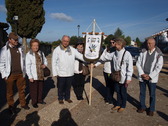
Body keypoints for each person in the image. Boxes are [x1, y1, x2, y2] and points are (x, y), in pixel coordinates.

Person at [0, 32, 30, 113]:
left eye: (17, 39)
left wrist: (25, 72)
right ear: (9, 40)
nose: (17, 41)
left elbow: (24, 60)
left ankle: (23, 104)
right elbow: (1, 63)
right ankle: (11, 106)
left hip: (20, 74)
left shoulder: (21, 47)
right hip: (10, 75)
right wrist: (4, 75)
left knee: (22, 90)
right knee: (10, 92)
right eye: (15, 40)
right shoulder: (4, 50)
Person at [52, 35, 84, 104]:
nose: (66, 42)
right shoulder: (57, 50)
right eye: (64, 41)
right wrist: (55, 73)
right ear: (62, 40)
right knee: (60, 87)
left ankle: (67, 98)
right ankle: (60, 98)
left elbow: (80, 56)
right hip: (61, 73)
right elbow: (53, 62)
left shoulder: (73, 50)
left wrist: (88, 59)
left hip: (70, 72)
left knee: (68, 87)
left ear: (69, 42)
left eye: (67, 41)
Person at [136, 37, 163, 116]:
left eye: (150, 43)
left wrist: (150, 76)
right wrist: (142, 74)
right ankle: (142, 107)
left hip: (151, 78)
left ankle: (151, 109)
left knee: (152, 94)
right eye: (147, 43)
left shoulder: (158, 54)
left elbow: (159, 67)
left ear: (154, 44)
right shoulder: (143, 52)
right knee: (142, 93)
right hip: (143, 76)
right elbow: (138, 63)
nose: (148, 45)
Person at [26, 39, 47, 108]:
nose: (36, 47)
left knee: (40, 88)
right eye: (34, 45)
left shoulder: (41, 53)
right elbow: (27, 66)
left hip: (40, 74)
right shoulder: (29, 54)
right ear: (31, 46)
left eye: (37, 45)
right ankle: (34, 102)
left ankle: (40, 100)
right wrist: (30, 76)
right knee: (34, 90)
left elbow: (45, 60)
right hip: (34, 75)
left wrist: (45, 65)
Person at [94, 38, 116, 105]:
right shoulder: (107, 49)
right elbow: (102, 59)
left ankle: (110, 99)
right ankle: (108, 98)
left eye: (113, 42)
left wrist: (97, 56)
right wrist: (95, 65)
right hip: (106, 70)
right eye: (111, 42)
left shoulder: (116, 51)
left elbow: (105, 57)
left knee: (112, 86)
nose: (112, 44)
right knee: (108, 85)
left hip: (112, 71)